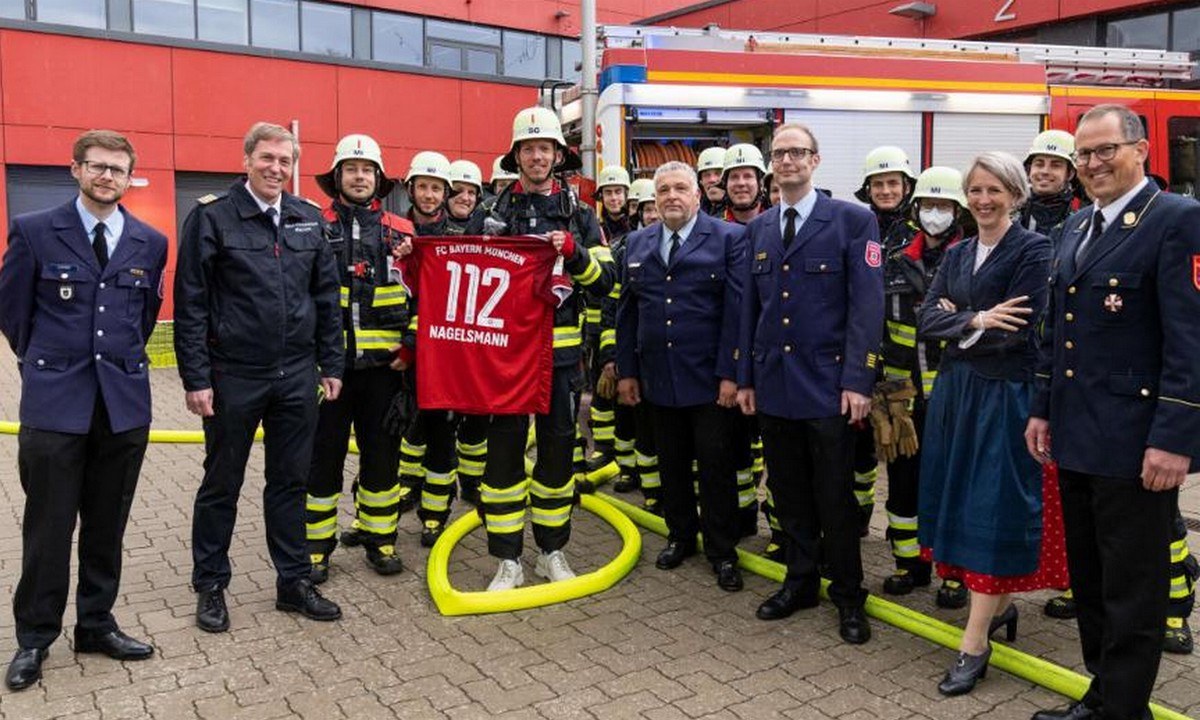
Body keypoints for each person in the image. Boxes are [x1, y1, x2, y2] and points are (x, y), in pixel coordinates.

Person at [1025, 103, 1200, 720]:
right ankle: (1104, 695)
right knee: (1094, 581)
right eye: (1084, 155)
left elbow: (1191, 339)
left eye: (1106, 151)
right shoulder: (1074, 228)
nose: (1093, 164)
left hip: (1136, 443)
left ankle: (1124, 710)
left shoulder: (1177, 220)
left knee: (1133, 589)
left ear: (1140, 149)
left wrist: (1175, 438)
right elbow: (1056, 334)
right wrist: (1043, 410)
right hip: (1076, 436)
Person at [0, 130, 167, 690]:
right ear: (75, 169)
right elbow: (14, 315)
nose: (106, 177)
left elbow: (143, 319)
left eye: (117, 169)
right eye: (96, 166)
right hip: (55, 407)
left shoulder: (150, 241)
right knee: (48, 528)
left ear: (129, 176)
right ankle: (34, 638)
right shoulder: (34, 231)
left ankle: (96, 623)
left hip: (122, 407)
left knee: (106, 525)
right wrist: (46, 367)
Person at [175, 122, 344, 633]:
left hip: (296, 377)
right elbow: (191, 303)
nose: (276, 168)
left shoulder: (307, 218)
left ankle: (293, 583)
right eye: (267, 158)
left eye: (285, 160)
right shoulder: (212, 217)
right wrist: (195, 378)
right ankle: (210, 586)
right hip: (234, 377)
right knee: (222, 483)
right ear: (246, 159)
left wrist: (331, 364)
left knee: (290, 483)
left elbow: (326, 298)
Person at [916, 151, 1059, 696]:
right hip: (958, 394)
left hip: (1005, 395)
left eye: (994, 190)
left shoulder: (1034, 248)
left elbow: (1018, 329)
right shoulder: (956, 252)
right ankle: (995, 614)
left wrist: (959, 320)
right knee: (962, 500)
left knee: (991, 505)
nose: (982, 200)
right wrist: (975, 316)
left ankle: (975, 644)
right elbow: (930, 320)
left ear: (1016, 195)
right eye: (974, 190)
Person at [736, 123, 882, 645]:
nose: (788, 161)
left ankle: (848, 593)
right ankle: (800, 583)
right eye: (780, 154)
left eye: (798, 152)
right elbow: (750, 309)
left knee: (835, 497)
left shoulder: (852, 221)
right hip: (775, 386)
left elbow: (867, 308)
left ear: (816, 160)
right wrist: (747, 377)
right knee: (788, 493)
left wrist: (858, 381)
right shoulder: (760, 228)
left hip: (828, 388)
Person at [468, 106, 615, 591]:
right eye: (528, 148)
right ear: (517, 155)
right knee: (504, 460)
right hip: (505, 362)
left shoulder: (582, 217)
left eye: (545, 148)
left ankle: (551, 551)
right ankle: (507, 559)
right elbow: (464, 277)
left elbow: (607, 282)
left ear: (558, 155)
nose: (537, 156)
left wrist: (573, 255)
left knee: (556, 460)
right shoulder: (489, 215)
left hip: (561, 363)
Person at [616, 161, 747, 592]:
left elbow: (738, 313)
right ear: (654, 199)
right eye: (663, 190)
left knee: (715, 467)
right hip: (658, 379)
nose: (671, 196)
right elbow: (628, 312)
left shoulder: (729, 238)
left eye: (680, 188)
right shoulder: (636, 242)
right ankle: (680, 536)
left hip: (710, 381)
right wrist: (627, 372)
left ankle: (723, 551)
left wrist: (731, 373)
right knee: (670, 465)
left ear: (698, 194)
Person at [304, 134, 413, 583]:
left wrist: (410, 346)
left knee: (382, 458)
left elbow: (423, 297)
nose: (360, 176)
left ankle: (379, 538)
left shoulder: (403, 232)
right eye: (351, 169)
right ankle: (316, 548)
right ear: (337, 176)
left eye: (367, 170)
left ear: (379, 178)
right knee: (322, 460)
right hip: (330, 370)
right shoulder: (311, 227)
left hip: (384, 371)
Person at [875, 166, 967, 609]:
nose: (935, 214)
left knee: (953, 486)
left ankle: (954, 574)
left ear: (958, 211)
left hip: (956, 396)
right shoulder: (895, 263)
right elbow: (877, 328)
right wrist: (879, 385)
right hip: (901, 396)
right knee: (903, 483)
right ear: (916, 210)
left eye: (944, 206)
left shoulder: (971, 261)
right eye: (928, 206)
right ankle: (908, 566)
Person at [854, 146, 919, 538]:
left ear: (906, 186)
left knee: (900, 451)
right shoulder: (857, 229)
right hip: (861, 361)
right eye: (878, 183)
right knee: (858, 451)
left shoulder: (919, 236)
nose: (886, 190)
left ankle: (905, 542)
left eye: (893, 182)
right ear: (867, 188)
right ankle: (857, 518)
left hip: (903, 367)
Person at [1019, 130, 1077, 246]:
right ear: (1029, 170)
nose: (1045, 171)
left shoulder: (1081, 223)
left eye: (1055, 165)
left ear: (1070, 174)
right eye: (1039, 164)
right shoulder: (1009, 216)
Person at [446, 159, 486, 233]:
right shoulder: (430, 226)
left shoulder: (486, 231)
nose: (465, 198)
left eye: (471, 192)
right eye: (459, 190)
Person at [696, 146, 727, 217]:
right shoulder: (695, 214)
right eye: (706, 175)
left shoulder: (743, 214)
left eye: (718, 173)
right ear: (701, 182)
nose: (712, 180)